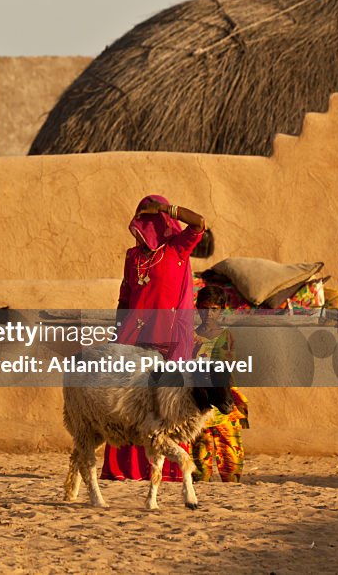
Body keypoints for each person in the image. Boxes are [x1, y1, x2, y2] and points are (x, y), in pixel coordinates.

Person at [101, 194, 205, 482]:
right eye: (138, 222)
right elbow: (125, 297)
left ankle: (169, 468)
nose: (140, 228)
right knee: (130, 402)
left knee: (167, 403)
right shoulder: (133, 257)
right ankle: (128, 468)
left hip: (171, 337)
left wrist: (165, 208)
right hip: (134, 335)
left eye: (147, 222)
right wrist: (117, 336)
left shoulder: (177, 249)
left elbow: (198, 223)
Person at [191, 285, 249, 483]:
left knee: (231, 456)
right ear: (197, 307)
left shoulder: (227, 336)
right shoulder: (190, 337)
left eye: (214, 309)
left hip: (225, 401)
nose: (208, 314)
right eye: (204, 308)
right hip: (200, 403)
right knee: (199, 458)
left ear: (222, 309)